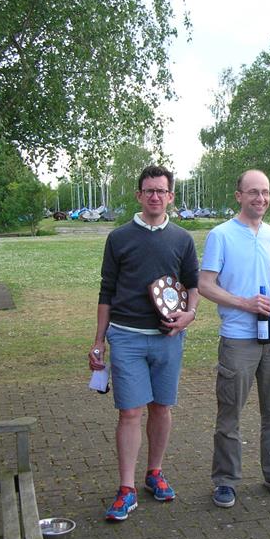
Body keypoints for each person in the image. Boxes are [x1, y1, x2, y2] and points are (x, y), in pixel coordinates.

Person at [89, 165, 200, 521]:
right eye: (148, 191)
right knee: (130, 412)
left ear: (170, 197)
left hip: (168, 338)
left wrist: (190, 315)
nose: (155, 196)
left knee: (161, 409)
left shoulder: (182, 239)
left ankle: (154, 473)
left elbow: (192, 286)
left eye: (161, 191)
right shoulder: (119, 237)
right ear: (139, 196)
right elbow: (107, 290)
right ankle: (126, 488)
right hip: (126, 337)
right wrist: (98, 341)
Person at [198, 169, 270, 509]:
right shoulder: (221, 235)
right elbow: (206, 284)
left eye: (266, 192)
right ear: (238, 195)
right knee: (230, 413)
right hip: (238, 337)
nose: (261, 198)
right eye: (253, 192)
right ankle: (225, 480)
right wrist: (243, 302)